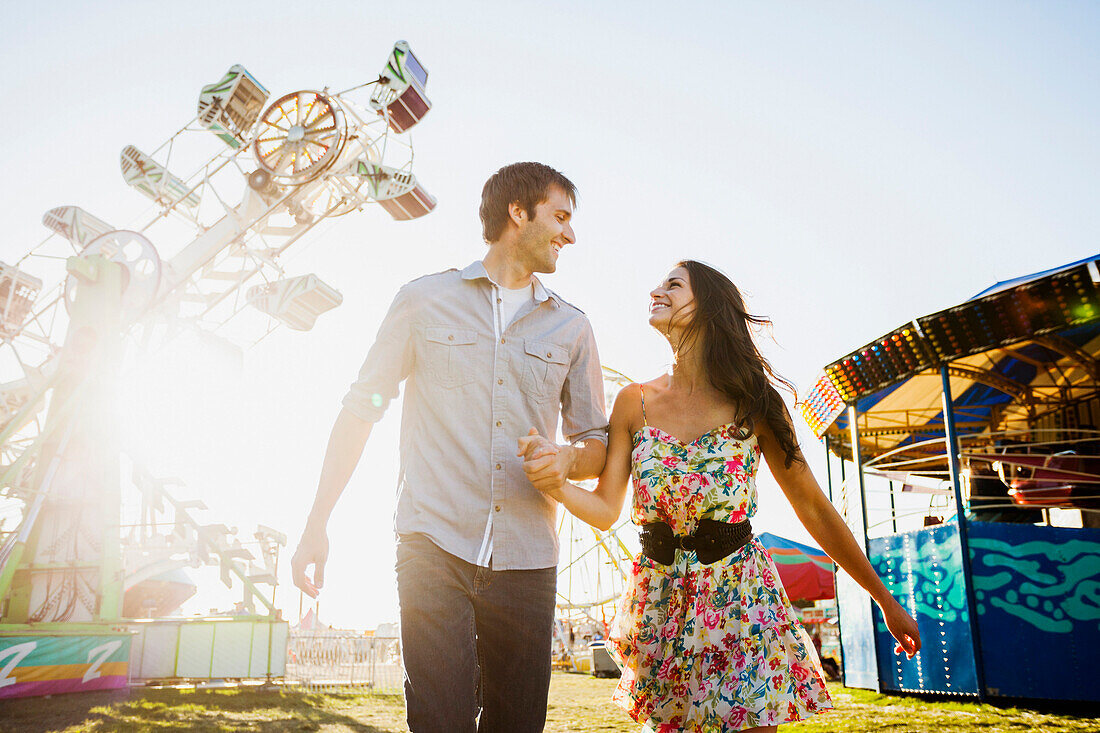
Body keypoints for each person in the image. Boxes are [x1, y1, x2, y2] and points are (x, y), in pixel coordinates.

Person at [521, 260, 921, 732]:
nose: (657, 290)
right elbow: (607, 510)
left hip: (740, 599)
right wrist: (559, 485)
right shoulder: (633, 401)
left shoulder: (755, 400)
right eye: (659, 283)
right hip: (660, 601)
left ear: (709, 306)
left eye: (674, 284)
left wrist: (883, 599)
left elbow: (812, 506)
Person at [291, 162, 609, 732]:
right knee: (440, 721)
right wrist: (318, 521)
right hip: (432, 542)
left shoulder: (572, 328)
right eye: (560, 217)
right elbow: (359, 409)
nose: (570, 235)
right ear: (519, 212)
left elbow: (598, 444)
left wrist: (568, 459)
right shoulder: (421, 301)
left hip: (528, 557)